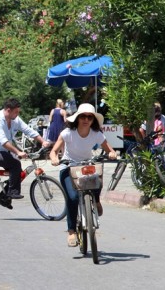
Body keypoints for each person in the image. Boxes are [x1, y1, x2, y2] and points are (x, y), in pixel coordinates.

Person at [49, 103, 117, 247]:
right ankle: (72, 231)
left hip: (86, 166)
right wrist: (55, 159)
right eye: (83, 116)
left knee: (97, 174)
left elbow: (110, 149)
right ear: (78, 118)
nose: (86, 119)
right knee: (73, 198)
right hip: (68, 167)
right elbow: (53, 151)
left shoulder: (97, 134)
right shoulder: (67, 133)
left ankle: (96, 200)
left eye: (90, 117)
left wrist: (112, 153)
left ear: (93, 120)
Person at [0, 98, 48, 203]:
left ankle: (4, 198)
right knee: (15, 164)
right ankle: (12, 192)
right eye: (16, 112)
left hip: (3, 151)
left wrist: (43, 141)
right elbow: (3, 142)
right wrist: (18, 152)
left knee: (17, 173)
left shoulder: (15, 120)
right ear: (8, 110)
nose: (17, 114)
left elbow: (28, 130)